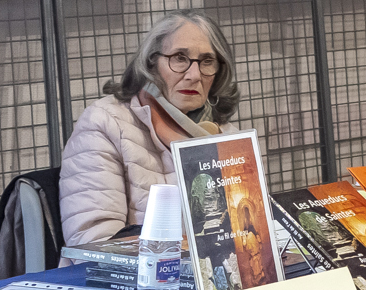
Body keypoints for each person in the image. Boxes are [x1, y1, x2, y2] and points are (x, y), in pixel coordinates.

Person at [60, 13, 239, 245]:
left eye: (207, 61)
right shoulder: (105, 123)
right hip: (134, 277)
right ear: (151, 63)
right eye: (179, 58)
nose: (194, 75)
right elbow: (94, 241)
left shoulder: (227, 133)